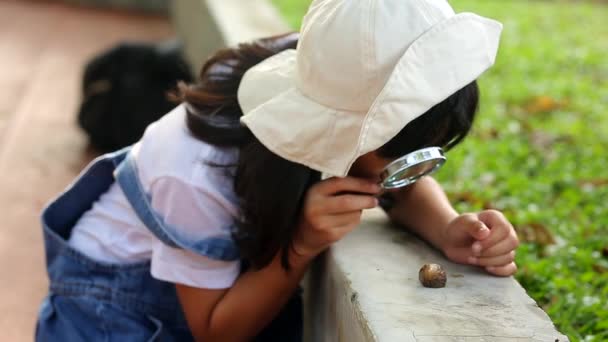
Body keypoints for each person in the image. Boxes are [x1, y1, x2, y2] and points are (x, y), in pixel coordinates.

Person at [35, 0, 519, 341]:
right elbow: (215, 330)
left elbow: (394, 179)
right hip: (116, 313)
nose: (409, 175)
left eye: (424, 159)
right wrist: (302, 244)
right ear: (346, 133)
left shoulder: (345, 70)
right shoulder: (195, 170)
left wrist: (450, 227)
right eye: (401, 158)